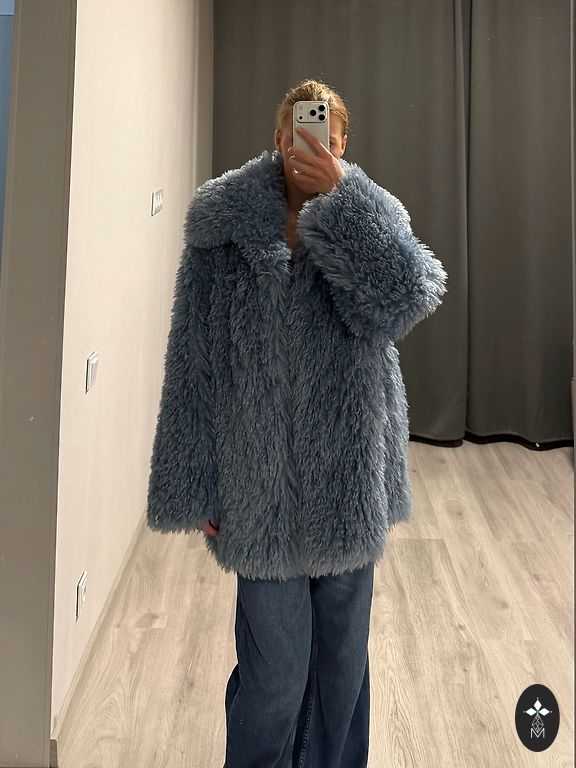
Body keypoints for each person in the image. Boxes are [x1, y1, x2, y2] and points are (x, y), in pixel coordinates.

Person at [146, 79, 448, 767]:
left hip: (349, 478)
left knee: (341, 667)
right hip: (258, 485)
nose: (311, 149)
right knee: (275, 676)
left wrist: (343, 203)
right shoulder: (223, 223)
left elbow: (406, 299)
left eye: (327, 139)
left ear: (342, 144)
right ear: (279, 138)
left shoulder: (372, 214)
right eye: (299, 135)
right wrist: (195, 483)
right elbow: (192, 358)